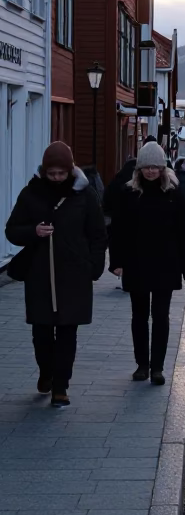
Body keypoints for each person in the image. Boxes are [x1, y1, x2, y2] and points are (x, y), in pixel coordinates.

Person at [4, 142, 107, 407]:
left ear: (70, 170)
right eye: (52, 174)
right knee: (41, 333)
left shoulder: (85, 196)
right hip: (39, 274)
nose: (56, 178)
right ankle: (46, 372)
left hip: (74, 275)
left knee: (67, 334)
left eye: (61, 173)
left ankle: (61, 386)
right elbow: (12, 230)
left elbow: (97, 234)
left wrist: (95, 265)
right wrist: (33, 231)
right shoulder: (31, 193)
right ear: (44, 170)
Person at [109, 141, 185, 385]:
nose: (150, 171)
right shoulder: (129, 193)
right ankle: (142, 365)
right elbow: (118, 230)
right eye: (146, 167)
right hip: (136, 262)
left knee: (161, 316)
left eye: (155, 167)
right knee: (139, 315)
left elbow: (183, 232)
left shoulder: (173, 194)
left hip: (165, 262)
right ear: (139, 169)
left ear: (162, 168)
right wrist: (116, 261)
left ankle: (157, 366)